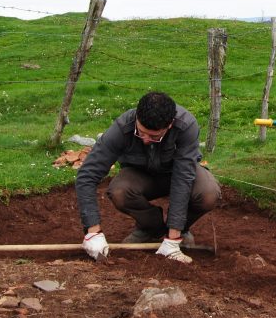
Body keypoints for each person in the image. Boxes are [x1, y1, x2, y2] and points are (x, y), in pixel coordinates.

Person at [76, 91, 221, 264]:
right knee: (119, 191)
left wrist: (172, 240)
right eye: (141, 133)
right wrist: (93, 232)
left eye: (154, 136)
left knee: (208, 193)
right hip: (141, 176)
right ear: (137, 117)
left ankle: (179, 232)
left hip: (178, 174)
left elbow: (183, 179)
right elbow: (87, 174)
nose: (145, 140)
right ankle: (150, 228)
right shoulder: (123, 127)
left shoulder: (186, 126)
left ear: (169, 125)